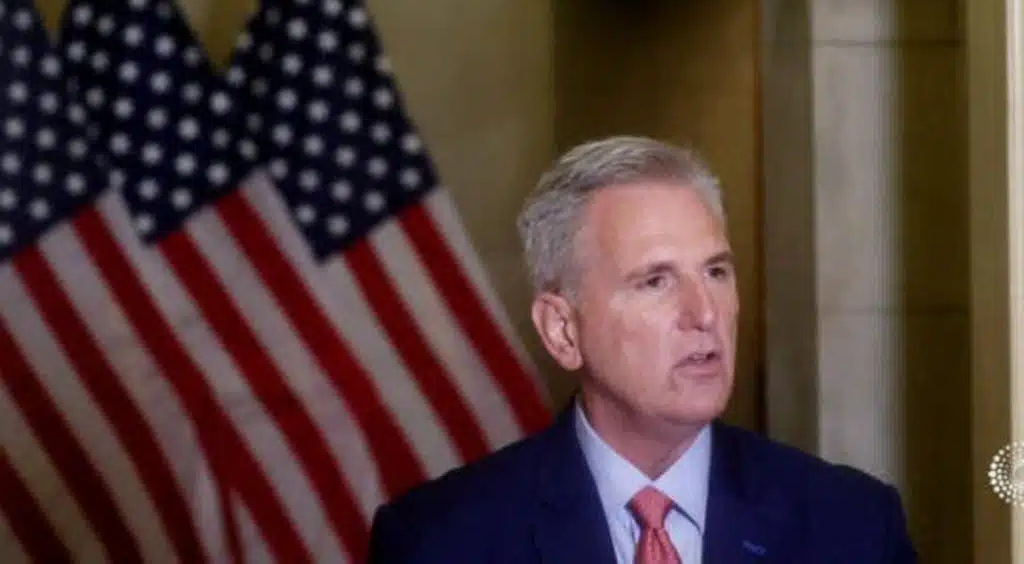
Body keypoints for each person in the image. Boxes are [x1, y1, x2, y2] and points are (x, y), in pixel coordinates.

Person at [367, 135, 917, 562]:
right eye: (655, 281)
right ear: (562, 331)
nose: (704, 314)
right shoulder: (439, 542)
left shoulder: (853, 526)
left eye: (716, 272)